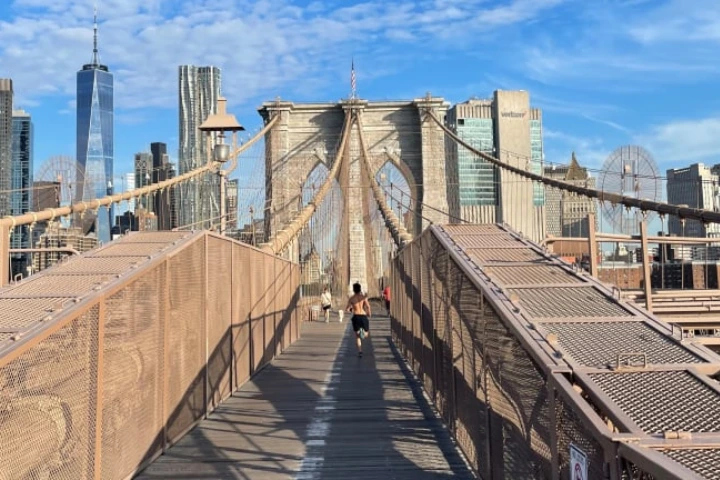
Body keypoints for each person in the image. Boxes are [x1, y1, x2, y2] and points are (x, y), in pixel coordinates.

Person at [346, 282, 371, 356]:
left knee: (357, 336)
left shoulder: (351, 298)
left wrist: (351, 309)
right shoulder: (363, 297)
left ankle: (360, 351)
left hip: (356, 316)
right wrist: (369, 313)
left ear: (353, 290)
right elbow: (368, 306)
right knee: (366, 335)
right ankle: (362, 332)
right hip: (363, 316)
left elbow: (347, 309)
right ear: (360, 289)